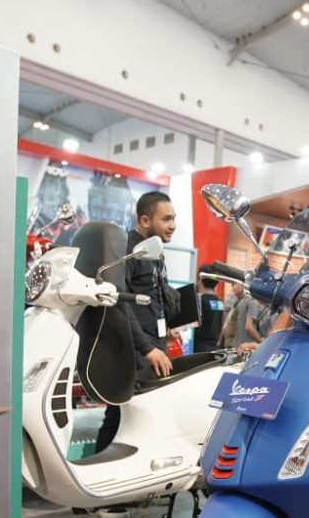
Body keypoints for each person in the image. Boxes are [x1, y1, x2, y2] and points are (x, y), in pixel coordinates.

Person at [97, 191, 181, 451]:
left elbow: (149, 297)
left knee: (143, 414)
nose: (173, 225)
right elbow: (120, 301)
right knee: (122, 414)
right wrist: (147, 348)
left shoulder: (154, 250)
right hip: (136, 351)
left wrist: (165, 328)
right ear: (145, 220)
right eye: (166, 219)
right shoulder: (130, 250)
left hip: (154, 344)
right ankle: (101, 465)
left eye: (174, 218)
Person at [194, 269, 224, 353]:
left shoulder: (200, 300)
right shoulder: (220, 302)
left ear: (200, 280)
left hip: (200, 348)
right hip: (215, 348)